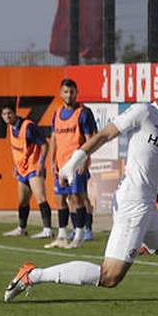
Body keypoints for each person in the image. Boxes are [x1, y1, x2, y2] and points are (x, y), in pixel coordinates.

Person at [3, 73, 158, 307]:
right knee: (110, 276)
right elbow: (105, 134)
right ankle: (33, 275)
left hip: (148, 206)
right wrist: (73, 162)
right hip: (133, 204)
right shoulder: (144, 112)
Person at [47, 78, 99, 248]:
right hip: (61, 164)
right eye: (66, 92)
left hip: (76, 163)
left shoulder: (83, 113)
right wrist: (52, 161)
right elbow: (54, 139)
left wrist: (84, 160)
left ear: (77, 93)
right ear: (60, 93)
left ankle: (80, 234)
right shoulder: (57, 114)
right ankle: (62, 235)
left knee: (77, 199)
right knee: (60, 198)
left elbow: (91, 139)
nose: (69, 95)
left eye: (72, 92)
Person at [0, 104, 53, 238]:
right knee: (23, 201)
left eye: (9, 113)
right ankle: (21, 228)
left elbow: (44, 144)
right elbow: (19, 149)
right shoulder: (11, 127)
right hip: (22, 169)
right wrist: (16, 165)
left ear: (15, 113)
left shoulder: (28, 127)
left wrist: (41, 163)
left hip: (34, 167)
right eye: (4, 114)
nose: (7, 117)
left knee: (41, 198)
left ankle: (47, 229)